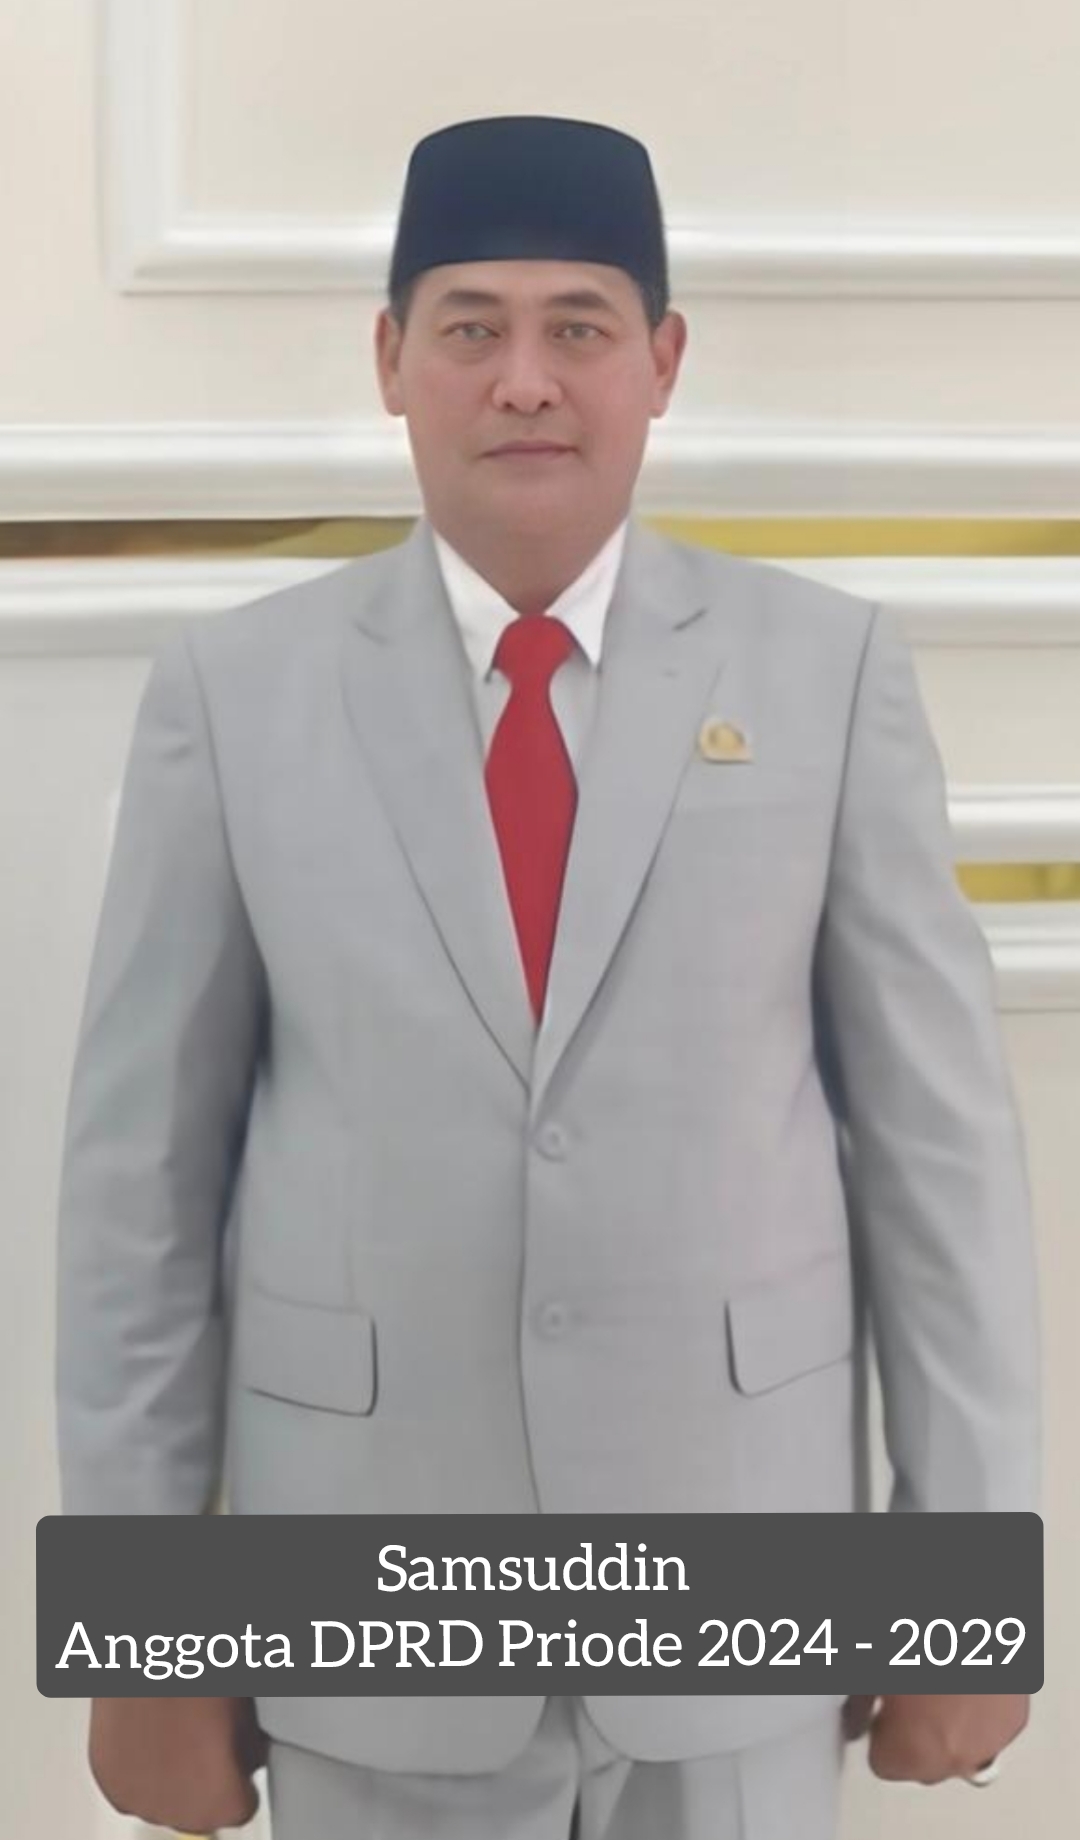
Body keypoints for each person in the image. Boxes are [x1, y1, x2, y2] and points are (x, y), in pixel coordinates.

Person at [55, 115, 1040, 1839]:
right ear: (390, 359)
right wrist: (145, 1637)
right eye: (472, 326)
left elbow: (941, 1160)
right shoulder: (233, 696)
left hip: (739, 1602)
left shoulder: (825, 673)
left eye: (579, 326)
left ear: (663, 362)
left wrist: (964, 1585)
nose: (526, 379)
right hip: (367, 1614)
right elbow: (141, 1185)